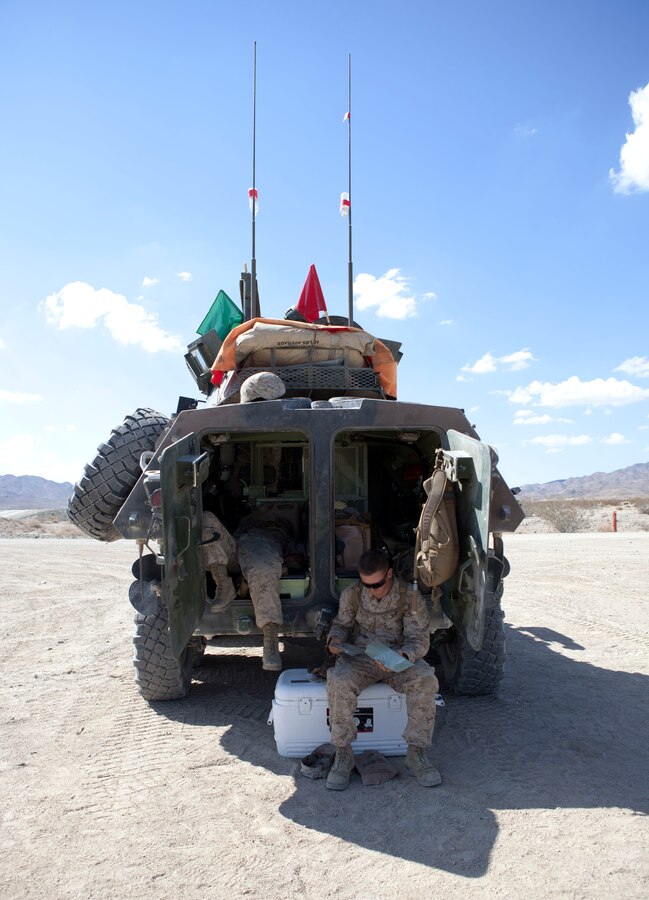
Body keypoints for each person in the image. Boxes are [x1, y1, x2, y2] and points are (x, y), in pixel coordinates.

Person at [326, 548, 441, 790]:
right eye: (366, 584)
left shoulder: (409, 598)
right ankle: (343, 754)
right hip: (362, 658)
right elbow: (342, 625)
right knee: (338, 679)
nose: (371, 590)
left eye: (376, 584)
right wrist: (335, 641)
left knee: (425, 678)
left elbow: (419, 640)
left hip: (397, 658)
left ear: (389, 574)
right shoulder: (353, 595)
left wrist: (402, 655)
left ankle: (416, 753)